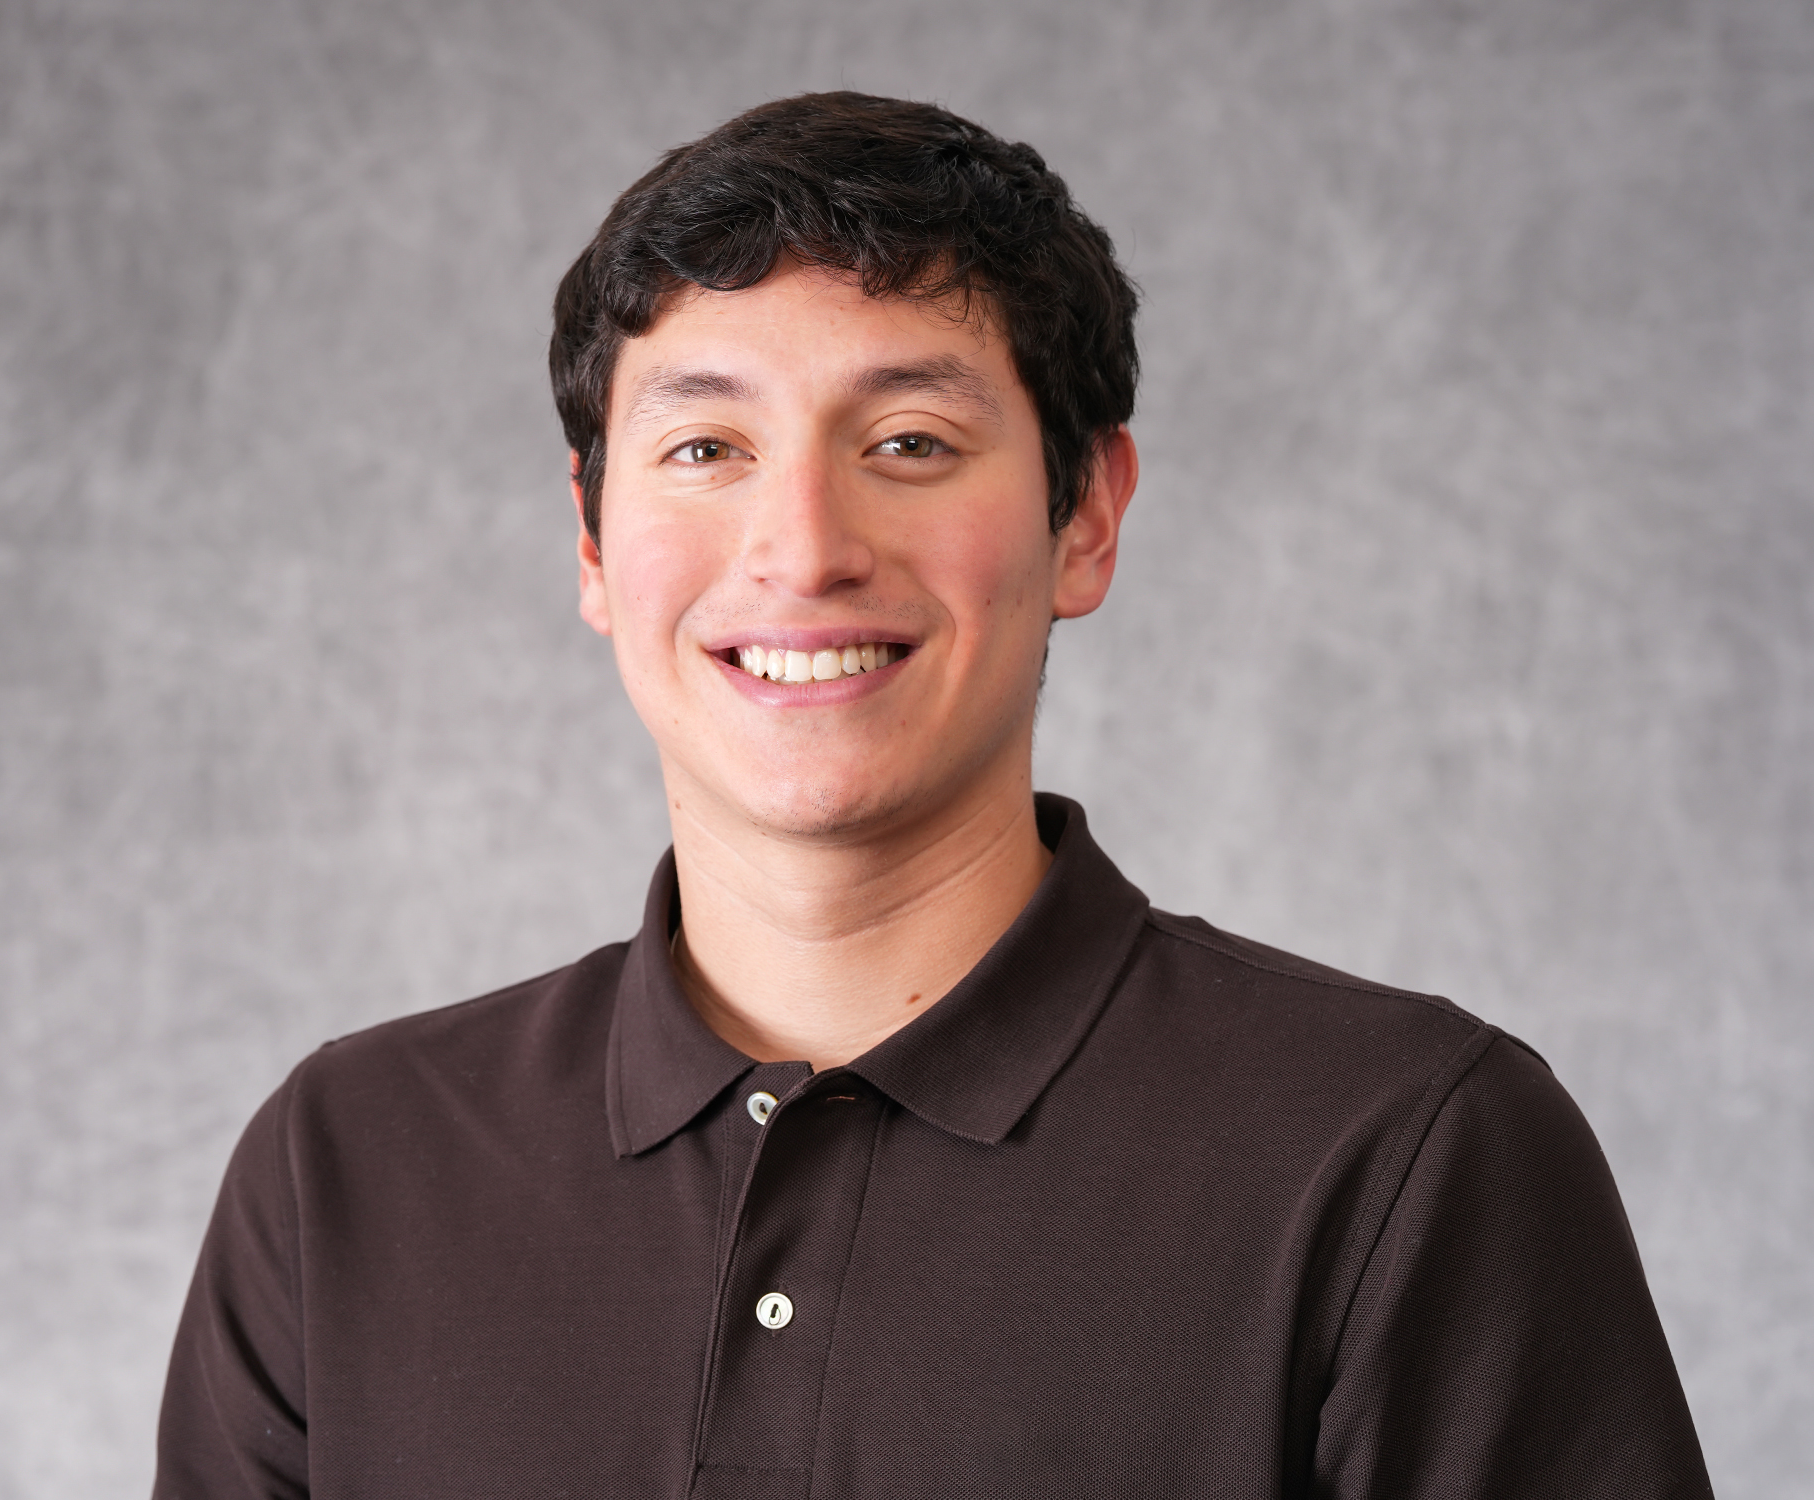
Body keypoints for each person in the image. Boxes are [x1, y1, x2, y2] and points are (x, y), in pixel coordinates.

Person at [155, 93, 1712, 1498]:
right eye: (705, 445)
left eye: (909, 441)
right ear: (589, 543)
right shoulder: (346, 1169)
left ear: (1086, 518)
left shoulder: (1402, 1154)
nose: (802, 546)